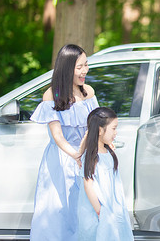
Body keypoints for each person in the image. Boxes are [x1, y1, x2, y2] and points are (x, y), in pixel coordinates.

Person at [30, 44, 99, 240]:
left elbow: (95, 127)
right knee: (57, 212)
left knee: (84, 212)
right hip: (61, 160)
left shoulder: (89, 92)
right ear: (67, 67)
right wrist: (75, 154)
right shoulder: (52, 95)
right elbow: (57, 136)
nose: (85, 70)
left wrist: (88, 153)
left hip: (84, 157)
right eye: (80, 67)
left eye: (86, 65)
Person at [77, 107, 134, 241]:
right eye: (113, 128)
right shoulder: (92, 156)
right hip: (98, 210)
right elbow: (88, 186)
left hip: (112, 207)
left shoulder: (108, 152)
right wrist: (100, 212)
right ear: (100, 130)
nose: (116, 133)